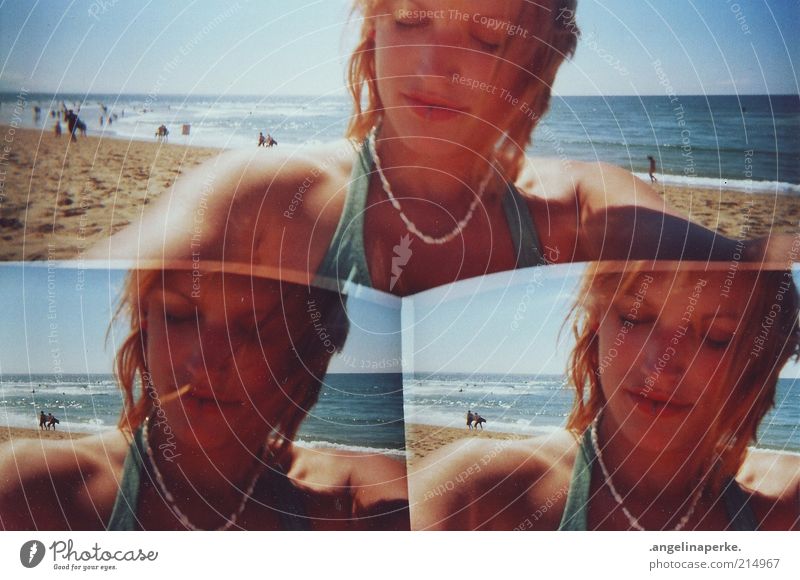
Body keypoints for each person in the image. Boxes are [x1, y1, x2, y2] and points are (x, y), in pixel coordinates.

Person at [89, 1, 790, 292]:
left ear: (537, 64)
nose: (432, 67)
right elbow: (83, 287)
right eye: (412, 19)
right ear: (373, 32)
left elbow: (765, 280)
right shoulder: (264, 196)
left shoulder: (583, 209)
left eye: (485, 37)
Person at [0, 269, 409, 530]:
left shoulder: (352, 502)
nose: (207, 362)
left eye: (254, 329)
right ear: (147, 328)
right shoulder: (34, 493)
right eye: (179, 316)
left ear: (303, 354)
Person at [410, 263, 800, 530]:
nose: (661, 364)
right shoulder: (474, 495)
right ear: (598, 327)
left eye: (716, 336)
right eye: (633, 316)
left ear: (759, 359)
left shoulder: (783, 508)